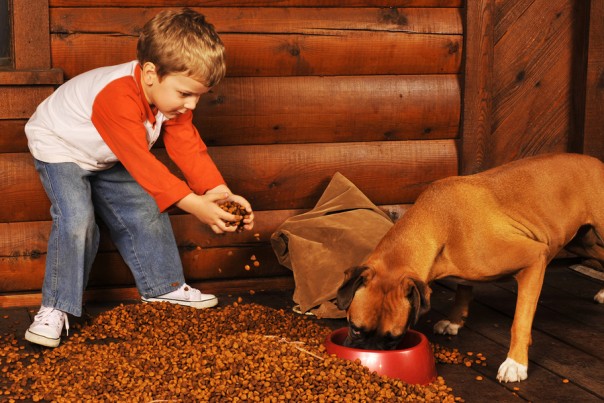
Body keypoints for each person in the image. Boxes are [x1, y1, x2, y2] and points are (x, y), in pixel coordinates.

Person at [23, 8, 254, 348]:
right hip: (62, 148)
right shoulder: (116, 97)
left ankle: (163, 287)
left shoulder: (169, 103)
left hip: (108, 153)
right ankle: (55, 307)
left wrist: (220, 194)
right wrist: (196, 207)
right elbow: (141, 164)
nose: (190, 106)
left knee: (146, 206)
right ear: (150, 74)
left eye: (197, 97)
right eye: (185, 93)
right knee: (77, 220)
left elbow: (188, 148)